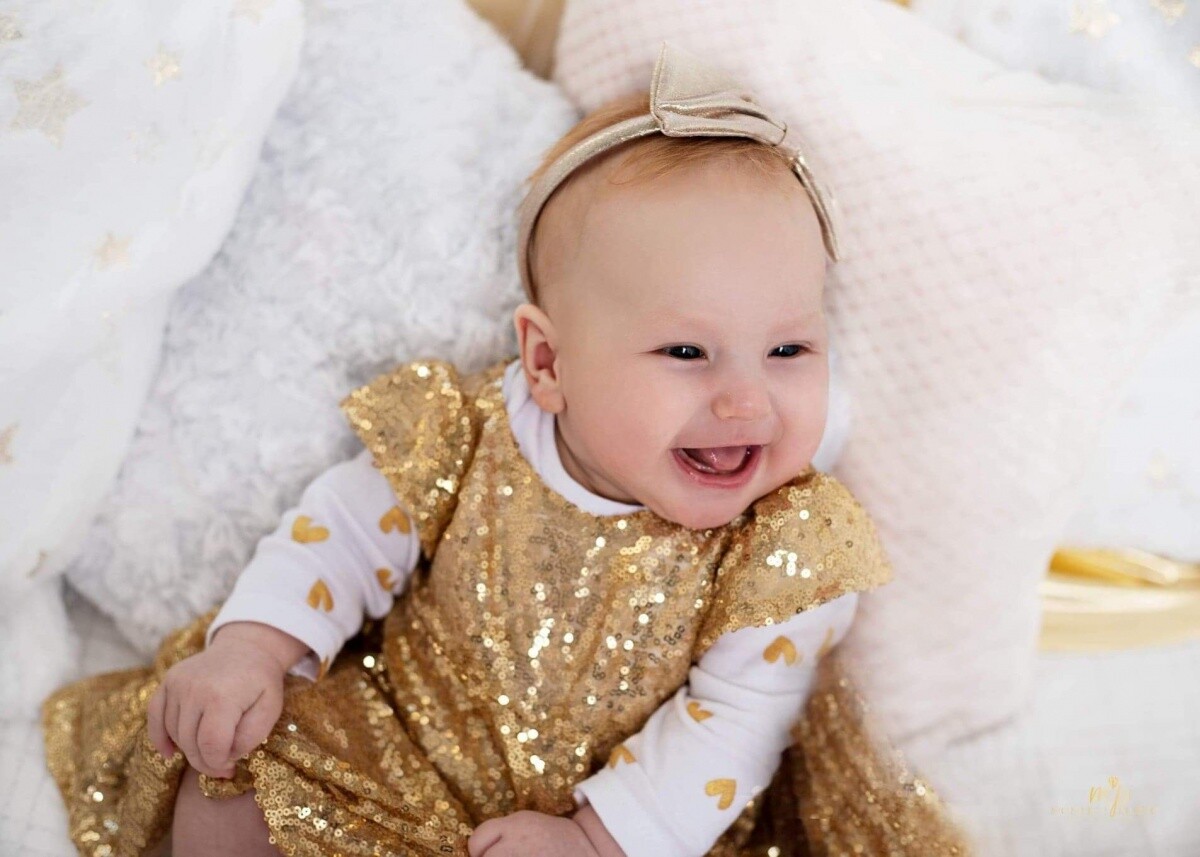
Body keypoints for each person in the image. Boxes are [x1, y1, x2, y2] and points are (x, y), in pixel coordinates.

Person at [41, 42, 975, 857]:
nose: (746, 400)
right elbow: (343, 538)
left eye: (790, 351)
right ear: (548, 362)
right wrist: (254, 647)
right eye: (687, 353)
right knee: (230, 782)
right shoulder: (478, 431)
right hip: (398, 743)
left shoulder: (782, 550)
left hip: (620, 821)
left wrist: (597, 840)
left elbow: (735, 727)